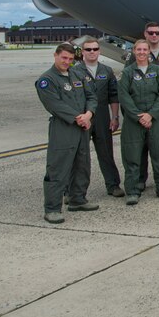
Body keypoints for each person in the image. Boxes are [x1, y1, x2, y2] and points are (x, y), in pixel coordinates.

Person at [35, 43, 98, 224]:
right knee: (58, 168)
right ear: (55, 55)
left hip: (83, 126)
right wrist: (79, 117)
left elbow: (91, 96)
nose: (67, 62)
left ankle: (78, 199)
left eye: (70, 59)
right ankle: (52, 208)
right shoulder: (47, 80)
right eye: (63, 58)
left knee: (82, 164)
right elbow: (54, 105)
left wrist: (89, 114)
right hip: (63, 128)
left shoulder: (76, 74)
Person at [118, 39, 159, 205]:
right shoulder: (127, 73)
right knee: (132, 156)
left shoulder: (157, 71)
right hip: (133, 121)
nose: (142, 53)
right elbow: (124, 97)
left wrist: (151, 115)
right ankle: (133, 190)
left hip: (155, 120)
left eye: (144, 50)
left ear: (149, 52)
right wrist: (139, 116)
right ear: (134, 51)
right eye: (139, 50)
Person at [78, 37, 123, 197]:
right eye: (88, 49)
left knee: (106, 153)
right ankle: (74, 191)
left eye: (95, 49)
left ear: (99, 51)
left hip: (103, 116)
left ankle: (113, 185)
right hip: (83, 118)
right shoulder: (75, 71)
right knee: (81, 156)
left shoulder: (106, 70)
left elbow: (114, 96)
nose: (92, 52)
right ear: (82, 51)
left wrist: (115, 117)